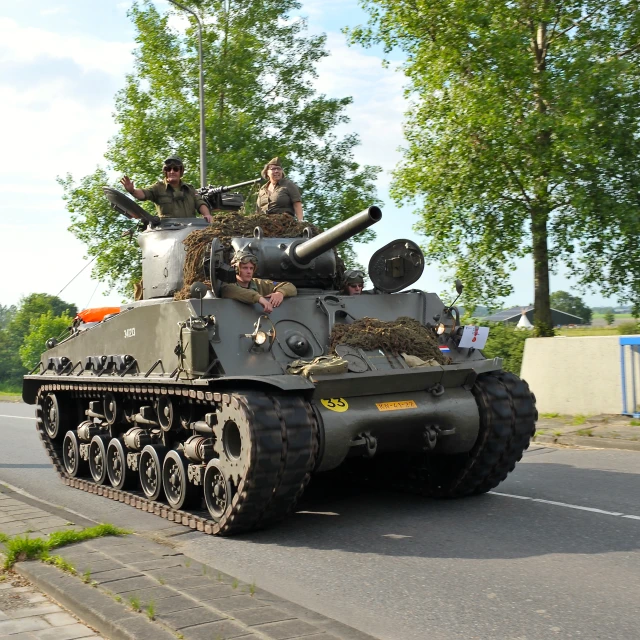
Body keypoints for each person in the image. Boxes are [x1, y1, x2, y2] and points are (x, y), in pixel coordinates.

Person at [120, 155, 212, 222]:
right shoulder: (158, 188)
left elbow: (200, 203)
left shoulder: (189, 189)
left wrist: (207, 214)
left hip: (189, 231)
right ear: (165, 172)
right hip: (167, 233)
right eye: (168, 169)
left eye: (175, 169)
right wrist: (132, 190)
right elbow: (143, 194)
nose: (172, 172)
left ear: (181, 172)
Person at [221, 250, 297, 313]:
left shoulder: (258, 283)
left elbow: (290, 286)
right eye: (245, 268)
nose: (249, 272)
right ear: (235, 269)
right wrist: (259, 298)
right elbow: (231, 290)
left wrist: (280, 293)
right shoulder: (228, 285)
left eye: (251, 268)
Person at [256, 157, 303, 221]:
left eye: (279, 169)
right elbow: (258, 210)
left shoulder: (288, 185)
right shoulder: (262, 189)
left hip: (284, 223)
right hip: (264, 224)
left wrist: (300, 222)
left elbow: (297, 204)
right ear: (267, 172)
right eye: (273, 169)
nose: (277, 171)